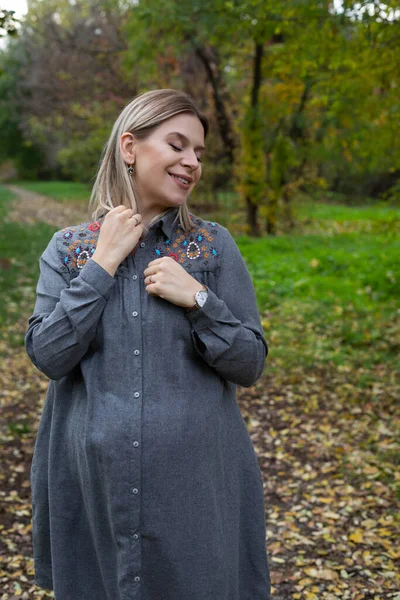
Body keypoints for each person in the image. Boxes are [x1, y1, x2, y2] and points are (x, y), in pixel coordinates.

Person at [25, 88, 271, 600]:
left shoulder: (213, 246)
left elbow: (249, 363)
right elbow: (49, 355)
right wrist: (102, 265)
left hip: (197, 488)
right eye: (178, 145)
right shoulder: (70, 249)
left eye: (199, 153)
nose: (192, 162)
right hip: (95, 486)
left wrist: (198, 297)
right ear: (130, 147)